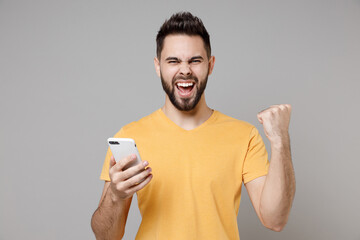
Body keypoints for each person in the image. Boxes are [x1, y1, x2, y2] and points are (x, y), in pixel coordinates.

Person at [91, 11, 295, 240]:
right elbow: (106, 237)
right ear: (158, 67)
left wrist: (280, 140)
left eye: (195, 60)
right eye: (173, 61)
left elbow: (275, 219)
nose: (185, 70)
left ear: (210, 64)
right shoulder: (130, 137)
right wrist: (115, 196)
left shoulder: (244, 136)